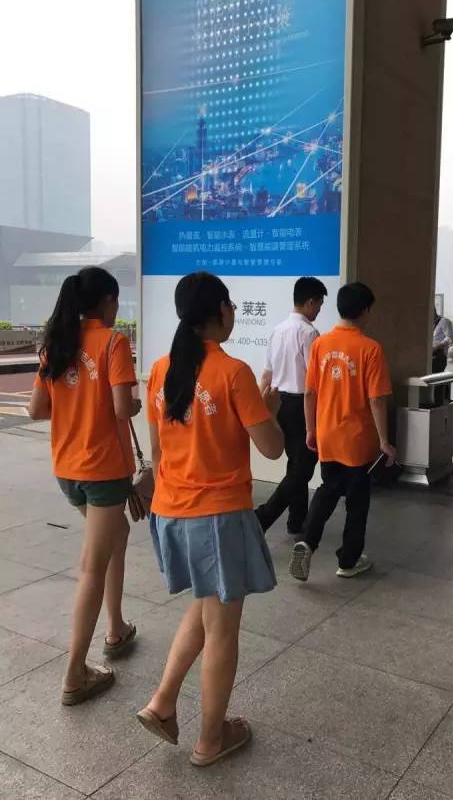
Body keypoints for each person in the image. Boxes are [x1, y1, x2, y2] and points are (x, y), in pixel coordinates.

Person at [137, 272, 284, 768]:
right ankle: (210, 740)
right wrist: (269, 408)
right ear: (220, 311)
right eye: (231, 305)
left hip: (171, 510)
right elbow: (272, 447)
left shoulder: (162, 369)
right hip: (216, 516)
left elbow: (159, 450)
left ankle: (162, 703)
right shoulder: (233, 372)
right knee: (222, 629)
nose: (234, 312)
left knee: (205, 607)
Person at [28, 267, 141, 705]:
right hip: (103, 471)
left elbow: (37, 409)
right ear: (107, 301)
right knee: (93, 566)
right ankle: (75, 673)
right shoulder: (113, 342)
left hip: (68, 470)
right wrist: (133, 401)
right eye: (116, 301)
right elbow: (121, 408)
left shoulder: (57, 343)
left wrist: (76, 405)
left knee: (118, 533)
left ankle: (117, 627)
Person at [289, 282, 394, 581]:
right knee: (357, 503)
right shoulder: (370, 349)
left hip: (327, 434)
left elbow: (310, 392)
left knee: (328, 488)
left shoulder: (321, 344)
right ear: (366, 311)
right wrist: (385, 441)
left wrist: (311, 430)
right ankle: (348, 561)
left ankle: (307, 540)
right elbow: (376, 399)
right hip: (357, 440)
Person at [256, 277, 327, 536]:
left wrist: (260, 406)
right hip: (301, 406)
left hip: (280, 403)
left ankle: (297, 520)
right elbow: (313, 382)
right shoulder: (309, 334)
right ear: (310, 302)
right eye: (319, 305)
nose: (318, 310)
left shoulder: (277, 330)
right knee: (303, 469)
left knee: (296, 464)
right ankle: (263, 516)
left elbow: (267, 374)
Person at [432, 307, 453, 373]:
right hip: (430, 355)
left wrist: (437, 346)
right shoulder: (429, 323)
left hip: (439, 356)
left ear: (434, 311)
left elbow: (450, 338)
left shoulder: (444, 321)